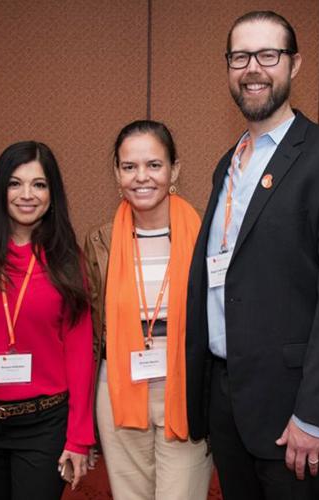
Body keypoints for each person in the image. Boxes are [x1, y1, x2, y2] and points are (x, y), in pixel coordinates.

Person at [185, 10, 319, 500]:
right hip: (229, 401)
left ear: (294, 65)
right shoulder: (227, 164)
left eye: (267, 55)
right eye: (240, 56)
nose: (253, 68)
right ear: (228, 67)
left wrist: (315, 415)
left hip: (296, 409)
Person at [0, 141, 94, 499]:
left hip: (44, 424)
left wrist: (79, 436)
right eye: (15, 183)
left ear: (52, 193)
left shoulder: (67, 258)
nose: (27, 194)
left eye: (39, 184)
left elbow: (79, 351)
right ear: (0, 190)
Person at [84, 120, 212, 499]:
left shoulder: (207, 233)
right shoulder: (100, 240)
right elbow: (92, 323)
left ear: (175, 170)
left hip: (186, 388)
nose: (142, 177)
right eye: (129, 167)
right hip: (120, 388)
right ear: (117, 173)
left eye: (154, 165)